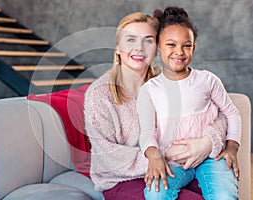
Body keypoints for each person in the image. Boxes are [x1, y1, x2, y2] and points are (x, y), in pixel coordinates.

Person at [84, 11, 233, 200]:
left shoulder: (167, 81)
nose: (139, 48)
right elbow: (107, 157)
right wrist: (163, 154)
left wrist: (207, 142)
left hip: (178, 167)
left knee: (222, 191)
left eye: (148, 40)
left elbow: (217, 113)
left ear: (158, 47)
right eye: (131, 40)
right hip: (122, 179)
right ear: (118, 47)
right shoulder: (100, 94)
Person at [137, 7, 241, 200]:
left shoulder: (207, 80)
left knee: (225, 195)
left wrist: (232, 148)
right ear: (158, 47)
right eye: (171, 44)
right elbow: (146, 133)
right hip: (173, 161)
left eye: (186, 45)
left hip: (211, 157)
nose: (179, 51)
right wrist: (153, 156)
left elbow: (232, 113)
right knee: (154, 193)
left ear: (193, 48)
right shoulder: (149, 90)